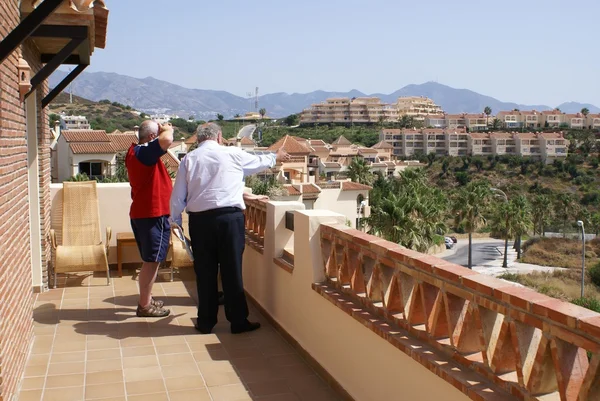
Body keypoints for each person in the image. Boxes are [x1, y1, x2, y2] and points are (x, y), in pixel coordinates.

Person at [171, 122, 290, 334]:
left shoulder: (188, 159)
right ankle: (238, 321)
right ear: (219, 137)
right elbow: (258, 161)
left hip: (200, 222)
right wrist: (275, 155)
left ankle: (206, 322)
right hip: (229, 220)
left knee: (205, 272)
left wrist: (175, 221)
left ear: (199, 139)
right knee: (232, 270)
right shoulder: (232, 154)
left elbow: (178, 195)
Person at [126, 120, 174, 317]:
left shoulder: (136, 152)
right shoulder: (143, 153)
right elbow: (168, 139)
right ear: (152, 137)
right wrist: (168, 129)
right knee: (151, 262)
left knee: (150, 260)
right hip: (152, 215)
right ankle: (144, 306)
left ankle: (147, 299)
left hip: (145, 214)